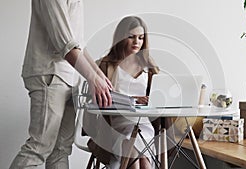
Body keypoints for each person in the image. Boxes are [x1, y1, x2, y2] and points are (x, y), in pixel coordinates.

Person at [9, 1, 112, 169]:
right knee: (39, 147)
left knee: (61, 150)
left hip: (69, 76)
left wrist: (100, 76)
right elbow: (65, 43)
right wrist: (93, 78)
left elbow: (78, 43)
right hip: (49, 74)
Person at [84, 16, 160, 169]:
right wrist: (132, 99)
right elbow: (97, 98)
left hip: (143, 123)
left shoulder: (149, 66)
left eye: (140, 38)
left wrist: (152, 99)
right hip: (115, 124)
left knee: (142, 157)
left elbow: (158, 96)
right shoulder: (106, 65)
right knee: (133, 149)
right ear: (121, 37)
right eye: (131, 37)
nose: (136, 42)